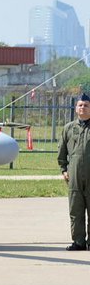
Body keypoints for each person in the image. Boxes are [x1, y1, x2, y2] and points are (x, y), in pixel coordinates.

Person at [57, 92, 90, 251]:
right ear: (76, 108)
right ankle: (78, 241)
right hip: (74, 175)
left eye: (86, 105)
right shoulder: (68, 128)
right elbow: (62, 151)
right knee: (75, 209)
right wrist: (64, 169)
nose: (83, 107)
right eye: (80, 105)